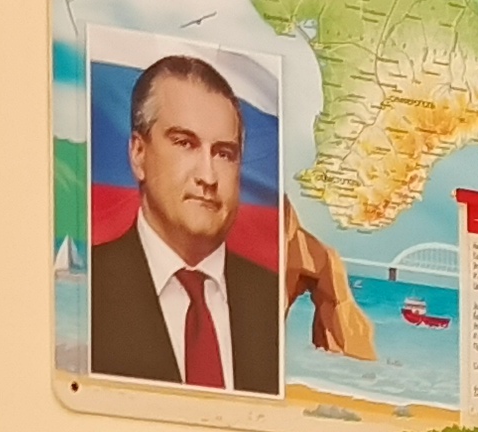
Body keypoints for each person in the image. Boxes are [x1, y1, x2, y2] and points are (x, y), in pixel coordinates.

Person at [89, 55, 371, 388]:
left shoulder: (268, 299)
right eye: (185, 143)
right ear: (138, 153)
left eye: (224, 153)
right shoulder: (87, 288)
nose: (208, 177)